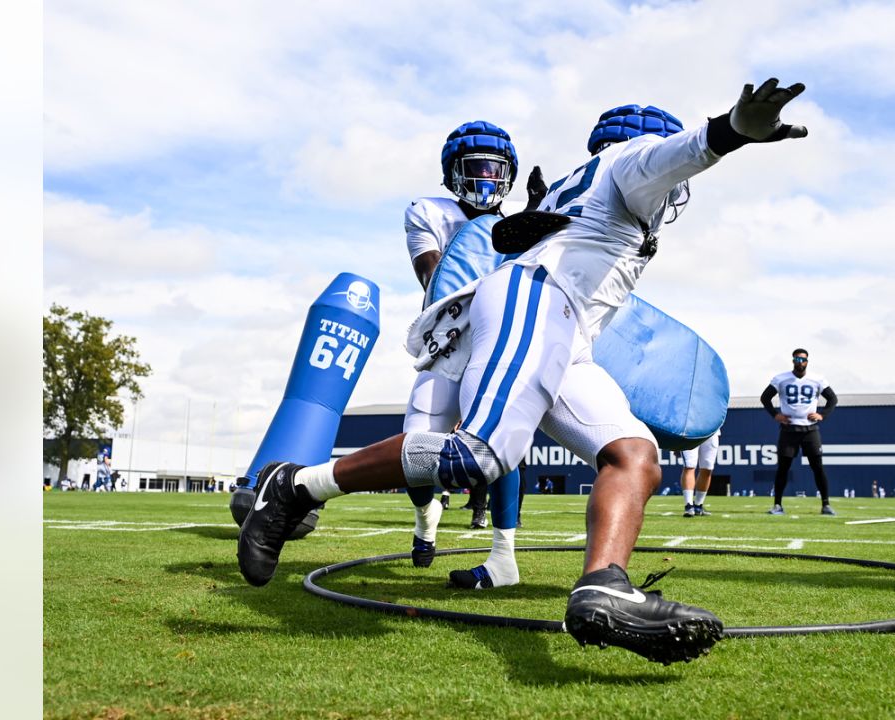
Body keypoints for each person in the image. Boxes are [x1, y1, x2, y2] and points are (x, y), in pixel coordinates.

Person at [238, 77, 810, 664]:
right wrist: (736, 128)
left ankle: (602, 586)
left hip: (568, 333)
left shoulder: (581, 188)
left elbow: (518, 233)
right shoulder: (633, 159)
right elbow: (685, 150)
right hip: (538, 303)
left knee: (633, 454)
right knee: (478, 457)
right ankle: (296, 485)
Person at [401, 120, 547, 589]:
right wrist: (506, 233)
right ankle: (427, 519)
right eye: (475, 168)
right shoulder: (428, 212)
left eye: (494, 168)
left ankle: (504, 555)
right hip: (447, 344)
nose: (486, 178)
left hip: (497, 343)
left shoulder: (515, 220)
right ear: (452, 172)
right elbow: (435, 282)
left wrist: (535, 219)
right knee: (414, 453)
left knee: (504, 446)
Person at [760, 348, 839, 516]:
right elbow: (765, 398)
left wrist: (822, 415)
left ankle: (826, 504)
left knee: (817, 467)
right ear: (792, 361)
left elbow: (833, 399)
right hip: (789, 429)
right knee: (783, 468)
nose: (800, 362)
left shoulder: (817, 379)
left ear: (807, 361)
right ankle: (777, 505)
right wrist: (775, 415)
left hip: (810, 429)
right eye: (796, 359)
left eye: (803, 359)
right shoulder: (781, 379)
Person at [680, 430, 721, 517]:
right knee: (689, 466)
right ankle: (689, 505)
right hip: (689, 432)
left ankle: (698, 505)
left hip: (711, 432)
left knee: (707, 468)